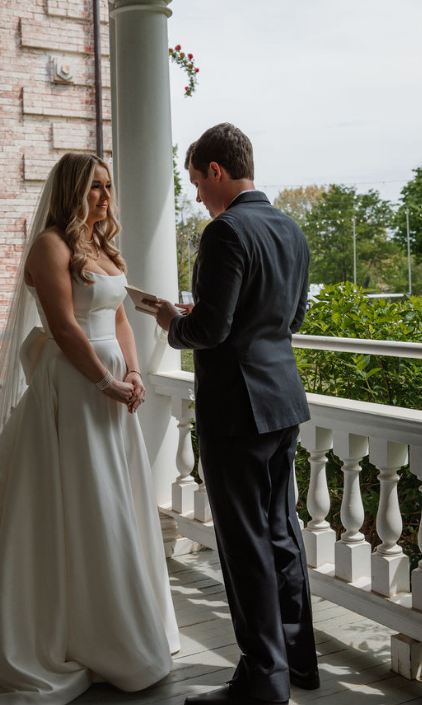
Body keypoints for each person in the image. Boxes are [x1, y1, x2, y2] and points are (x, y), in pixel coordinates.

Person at [0, 152, 179, 704]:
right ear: (72, 191)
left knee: (116, 504)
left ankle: (119, 626)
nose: (105, 198)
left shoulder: (102, 246)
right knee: (85, 503)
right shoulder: (49, 247)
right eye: (95, 188)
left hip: (112, 390)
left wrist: (135, 371)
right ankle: (78, 636)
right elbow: (63, 328)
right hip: (74, 392)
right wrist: (106, 382)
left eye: (108, 187)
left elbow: (120, 316)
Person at [150, 124, 318, 705]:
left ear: (217, 171)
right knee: (281, 535)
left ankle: (261, 681)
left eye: (197, 180)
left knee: (244, 543)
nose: (197, 194)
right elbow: (290, 318)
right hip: (283, 405)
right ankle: (296, 663)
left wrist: (172, 321)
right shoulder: (289, 229)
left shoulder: (223, 233)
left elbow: (211, 330)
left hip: (237, 412)